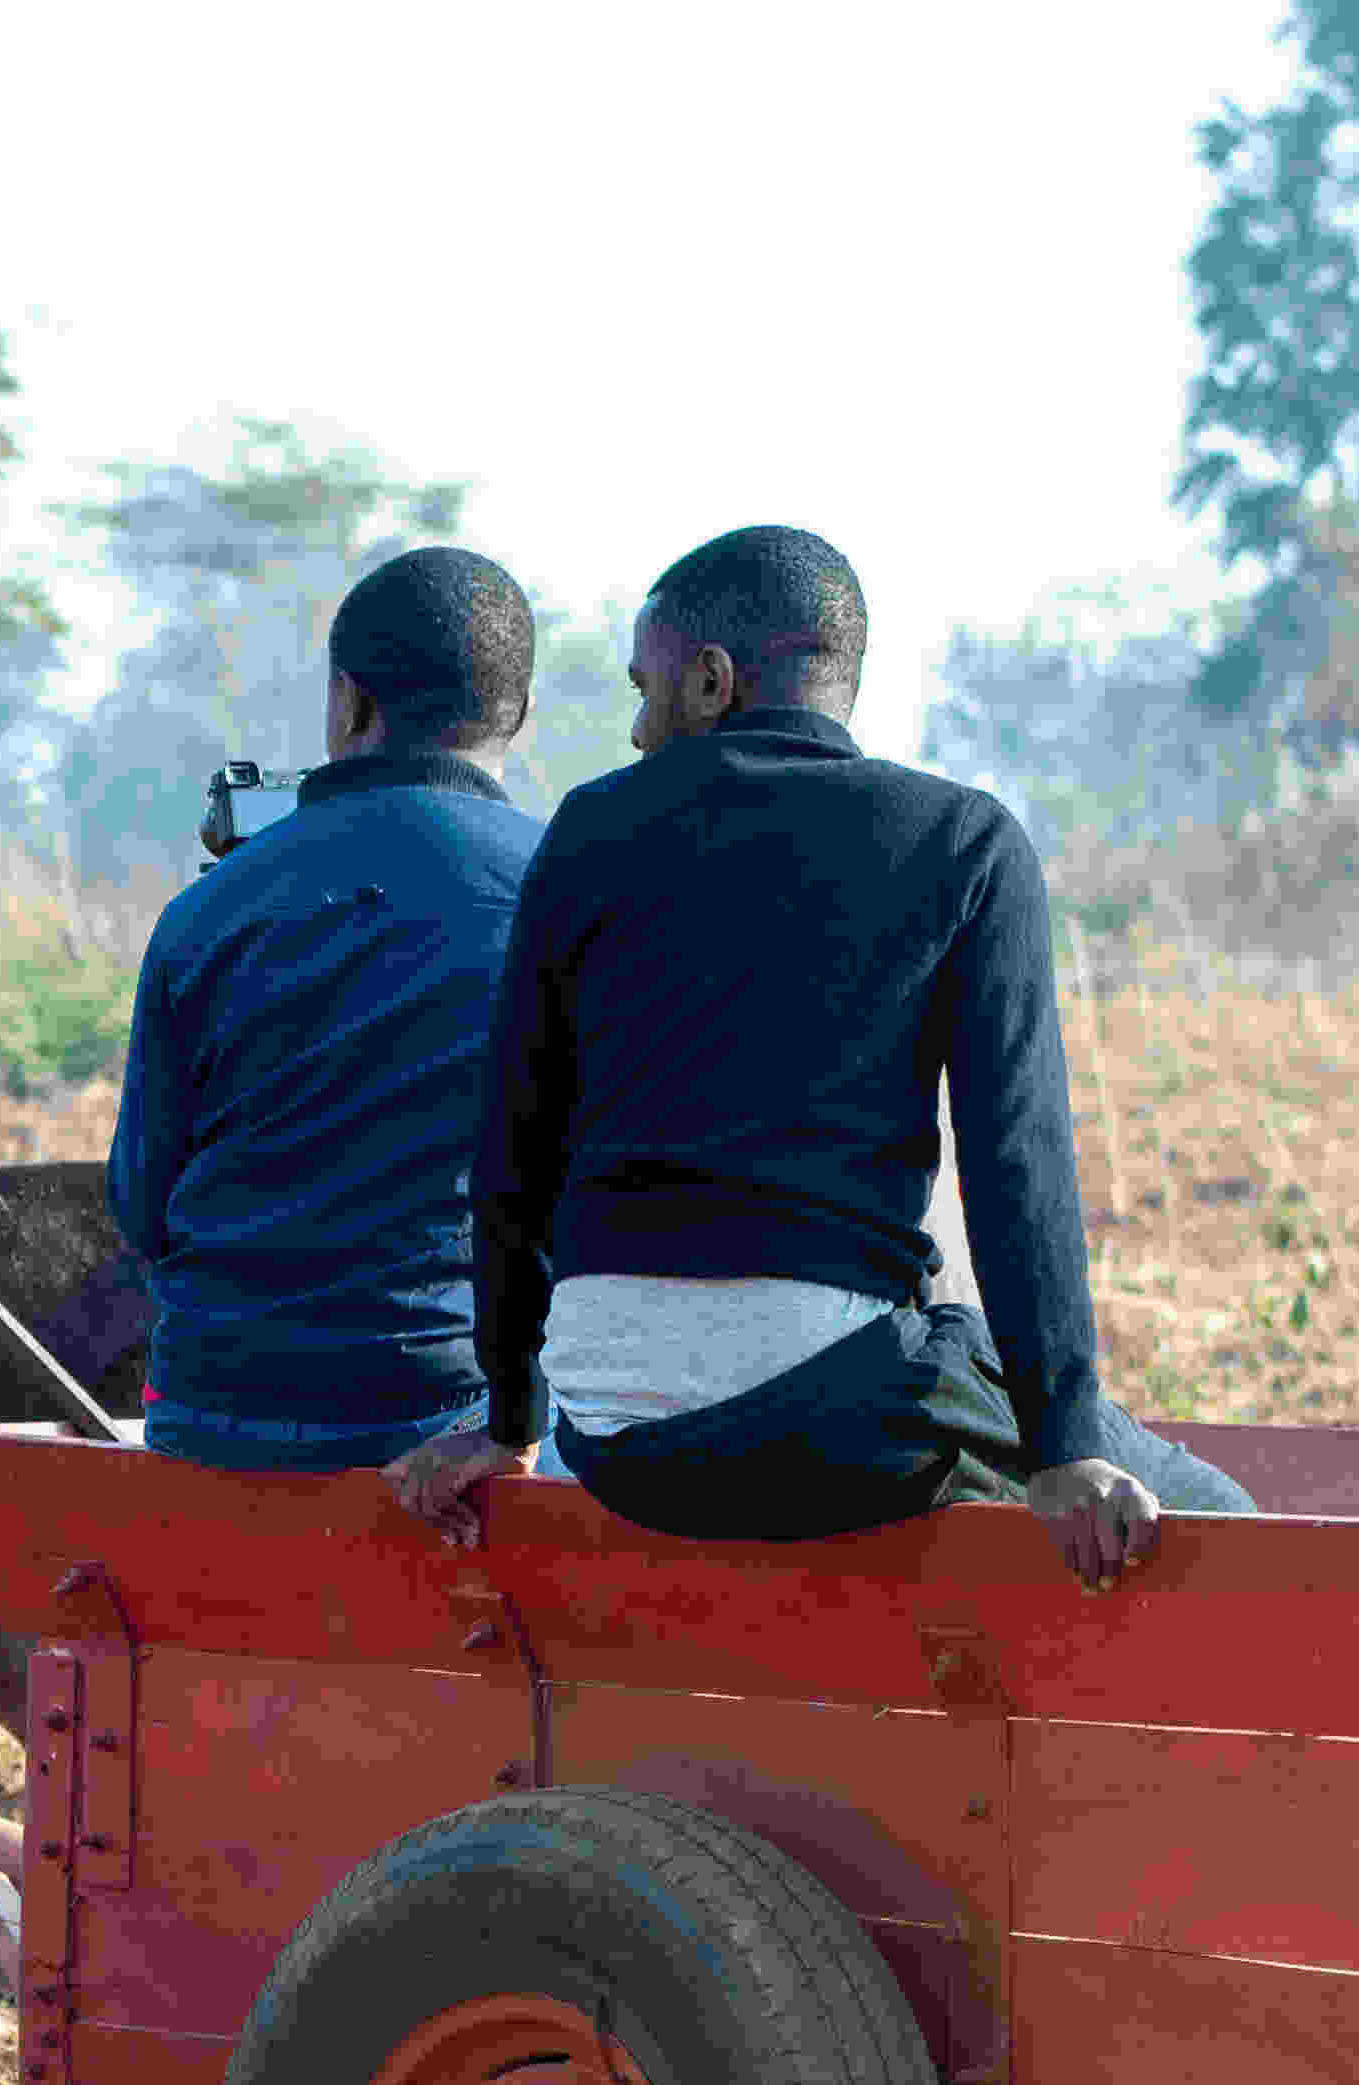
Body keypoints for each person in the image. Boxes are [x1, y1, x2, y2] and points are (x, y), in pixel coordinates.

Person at [383, 524, 1248, 1583]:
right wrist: (1062, 1450)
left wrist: (511, 1419)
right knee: (1223, 1513)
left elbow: (512, 1153)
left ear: (712, 681)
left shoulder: (590, 830)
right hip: (832, 1418)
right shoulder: (964, 842)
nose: (640, 728)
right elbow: (1015, 1161)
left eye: (645, 690)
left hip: (605, 1433)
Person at [105, 546, 550, 1474]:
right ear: (518, 714)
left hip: (207, 1418)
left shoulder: (207, 909)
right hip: (448, 1431)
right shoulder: (568, 890)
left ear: (348, 703)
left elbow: (140, 1206)